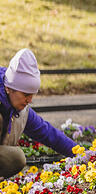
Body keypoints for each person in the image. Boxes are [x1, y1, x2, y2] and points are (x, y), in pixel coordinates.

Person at [1, 49, 78, 178]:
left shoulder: (20, 109)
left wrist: (82, 153)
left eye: (32, 95)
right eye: (26, 95)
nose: (30, 100)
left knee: (15, 156)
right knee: (16, 157)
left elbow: (47, 133)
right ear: (9, 88)